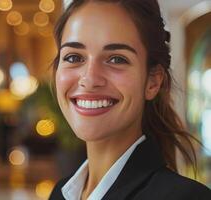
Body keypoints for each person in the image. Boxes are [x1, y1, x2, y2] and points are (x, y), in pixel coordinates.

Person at [49, 0, 211, 199]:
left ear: (152, 82)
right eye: (74, 57)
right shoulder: (60, 192)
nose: (89, 79)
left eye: (117, 59)